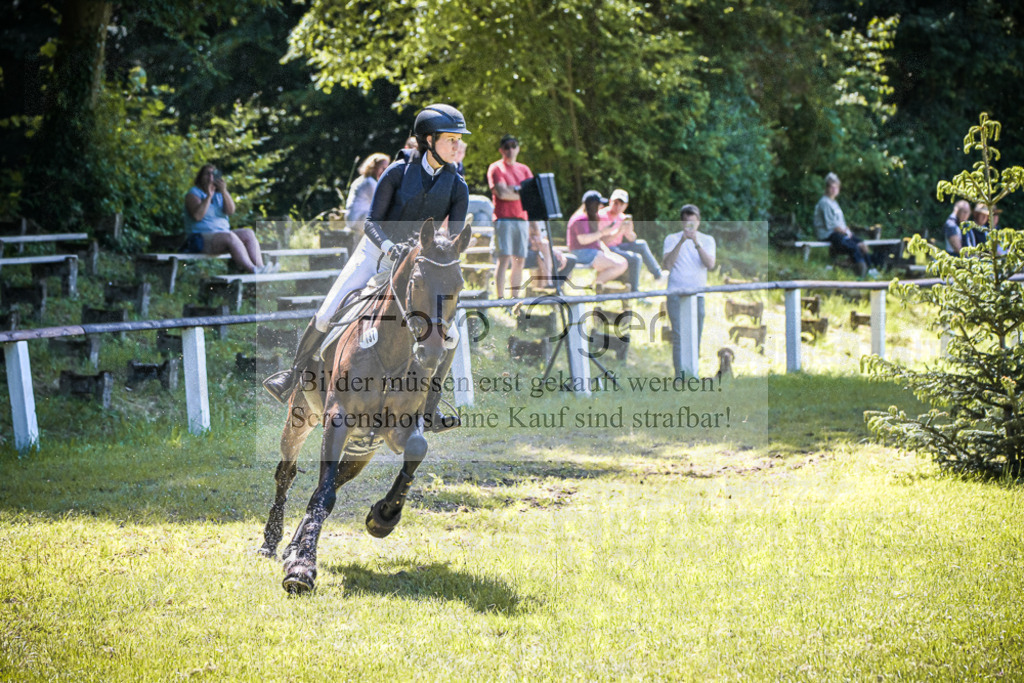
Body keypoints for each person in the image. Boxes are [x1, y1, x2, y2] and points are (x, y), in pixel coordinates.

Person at [264, 104, 471, 432]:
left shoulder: (458, 186)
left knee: (452, 335)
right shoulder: (397, 173)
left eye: (459, 140)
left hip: (418, 262)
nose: (458, 147)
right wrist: (390, 248)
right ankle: (293, 375)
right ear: (429, 140)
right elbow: (372, 222)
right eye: (451, 140)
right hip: (377, 250)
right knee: (327, 310)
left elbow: (451, 238)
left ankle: (429, 407)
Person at [183, 164, 276, 274]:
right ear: (200, 177)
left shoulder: (219, 194)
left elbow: (231, 211)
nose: (211, 177)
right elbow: (197, 216)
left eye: (214, 174)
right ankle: (253, 269)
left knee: (248, 233)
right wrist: (208, 196)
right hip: (199, 239)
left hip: (221, 236)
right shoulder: (193, 194)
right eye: (207, 174)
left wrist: (224, 191)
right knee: (229, 236)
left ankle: (261, 268)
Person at [663, 204, 716, 377]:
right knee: (678, 334)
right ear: (682, 223)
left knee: (695, 334)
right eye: (687, 223)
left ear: (698, 222)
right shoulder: (671, 239)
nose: (690, 227)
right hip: (675, 293)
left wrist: (695, 242)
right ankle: (680, 375)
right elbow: (667, 265)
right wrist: (682, 241)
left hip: (697, 295)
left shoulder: (707, 240)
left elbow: (710, 264)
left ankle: (692, 373)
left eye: (693, 223)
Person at [487, 134, 536, 299]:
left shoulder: (525, 169)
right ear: (501, 150)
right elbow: (501, 193)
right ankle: (500, 298)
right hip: (504, 219)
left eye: (513, 145)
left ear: (518, 148)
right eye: (507, 146)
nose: (510, 149)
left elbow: (532, 195)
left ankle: (515, 299)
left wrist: (512, 191)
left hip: (522, 219)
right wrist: (520, 193)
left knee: (520, 260)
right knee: (504, 259)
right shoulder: (496, 168)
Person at [813, 172, 877, 277]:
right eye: (832, 187)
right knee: (854, 246)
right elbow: (832, 225)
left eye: (836, 187)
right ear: (827, 188)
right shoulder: (824, 202)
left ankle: (870, 269)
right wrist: (846, 232)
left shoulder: (834, 203)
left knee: (861, 243)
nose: (834, 190)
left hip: (839, 233)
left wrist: (848, 231)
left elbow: (841, 223)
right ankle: (862, 272)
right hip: (828, 234)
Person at [598, 188, 662, 290]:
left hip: (617, 246)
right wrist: (619, 231)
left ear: (626, 205)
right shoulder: (602, 215)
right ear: (610, 202)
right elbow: (602, 241)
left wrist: (629, 231)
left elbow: (632, 238)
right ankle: (634, 291)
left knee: (642, 244)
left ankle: (658, 274)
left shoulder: (623, 217)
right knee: (636, 258)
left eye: (621, 204)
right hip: (606, 249)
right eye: (615, 203)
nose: (618, 206)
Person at [566, 190, 629, 286]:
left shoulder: (588, 217)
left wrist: (606, 251)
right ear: (593, 205)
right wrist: (602, 232)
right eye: (599, 204)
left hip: (590, 252)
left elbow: (596, 240)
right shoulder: (580, 218)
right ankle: (594, 287)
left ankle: (595, 287)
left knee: (622, 262)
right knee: (620, 264)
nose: (601, 207)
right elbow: (583, 240)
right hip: (582, 253)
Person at [344, 153, 391, 231]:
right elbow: (383, 203)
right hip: (358, 219)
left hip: (352, 219)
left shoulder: (361, 179)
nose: (384, 172)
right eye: (382, 168)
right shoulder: (369, 183)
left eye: (386, 169)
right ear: (373, 167)